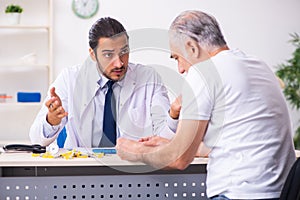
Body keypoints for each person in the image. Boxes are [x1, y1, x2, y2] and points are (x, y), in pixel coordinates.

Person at [116, 10, 296, 200]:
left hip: (239, 195)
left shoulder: (205, 73)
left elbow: (179, 159)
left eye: (177, 57)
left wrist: (135, 152)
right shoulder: (259, 65)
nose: (181, 69)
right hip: (281, 192)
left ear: (192, 47)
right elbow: (237, 143)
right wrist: (172, 144)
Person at [29, 17, 176, 148]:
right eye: (108, 55)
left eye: (124, 52)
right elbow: (37, 140)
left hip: (132, 169)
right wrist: (52, 120)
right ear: (92, 54)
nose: (119, 63)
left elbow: (164, 136)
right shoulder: (70, 79)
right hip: (80, 169)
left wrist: (173, 115)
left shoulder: (149, 78)